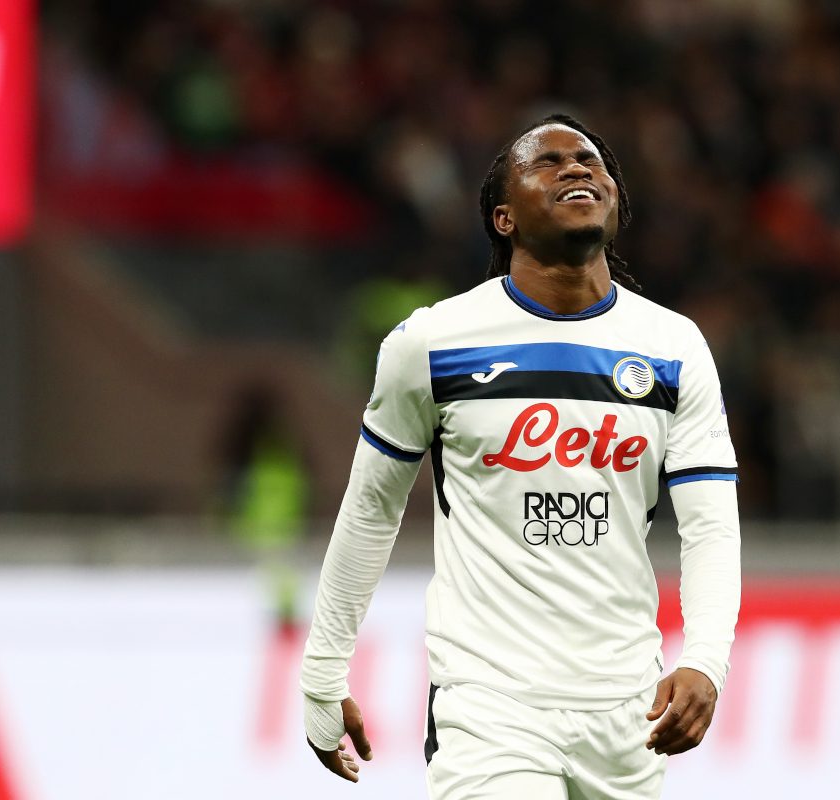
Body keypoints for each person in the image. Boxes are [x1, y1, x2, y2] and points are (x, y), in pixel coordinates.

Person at [300, 114, 741, 800]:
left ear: (616, 202)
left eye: (592, 162)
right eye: (549, 162)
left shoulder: (674, 347)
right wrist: (323, 675)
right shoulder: (433, 343)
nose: (578, 169)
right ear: (503, 219)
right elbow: (370, 510)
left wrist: (707, 662)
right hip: (489, 705)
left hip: (628, 712)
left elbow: (711, 524)